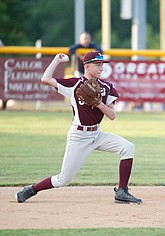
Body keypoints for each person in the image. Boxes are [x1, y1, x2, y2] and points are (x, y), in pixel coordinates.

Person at [15, 51, 142, 204]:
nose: (101, 68)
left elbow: (112, 115)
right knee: (63, 179)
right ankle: (31, 189)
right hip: (79, 136)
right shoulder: (74, 84)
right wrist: (56, 60)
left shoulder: (106, 87)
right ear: (87, 66)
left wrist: (99, 104)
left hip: (97, 134)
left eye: (102, 64)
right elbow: (45, 79)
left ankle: (122, 191)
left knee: (128, 147)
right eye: (97, 64)